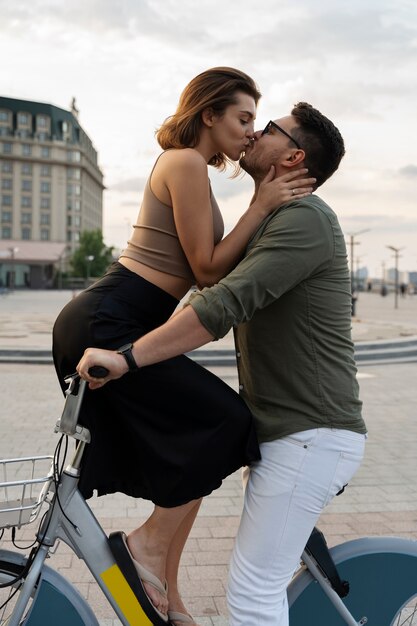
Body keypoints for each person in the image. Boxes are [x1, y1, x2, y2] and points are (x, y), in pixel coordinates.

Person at [77, 102, 367, 626]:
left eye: (271, 127)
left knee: (253, 594)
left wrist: (129, 357)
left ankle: (150, 554)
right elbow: (210, 292)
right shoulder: (274, 219)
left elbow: (223, 305)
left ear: (293, 155)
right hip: (289, 434)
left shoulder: (305, 220)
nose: (256, 131)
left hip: (310, 435)